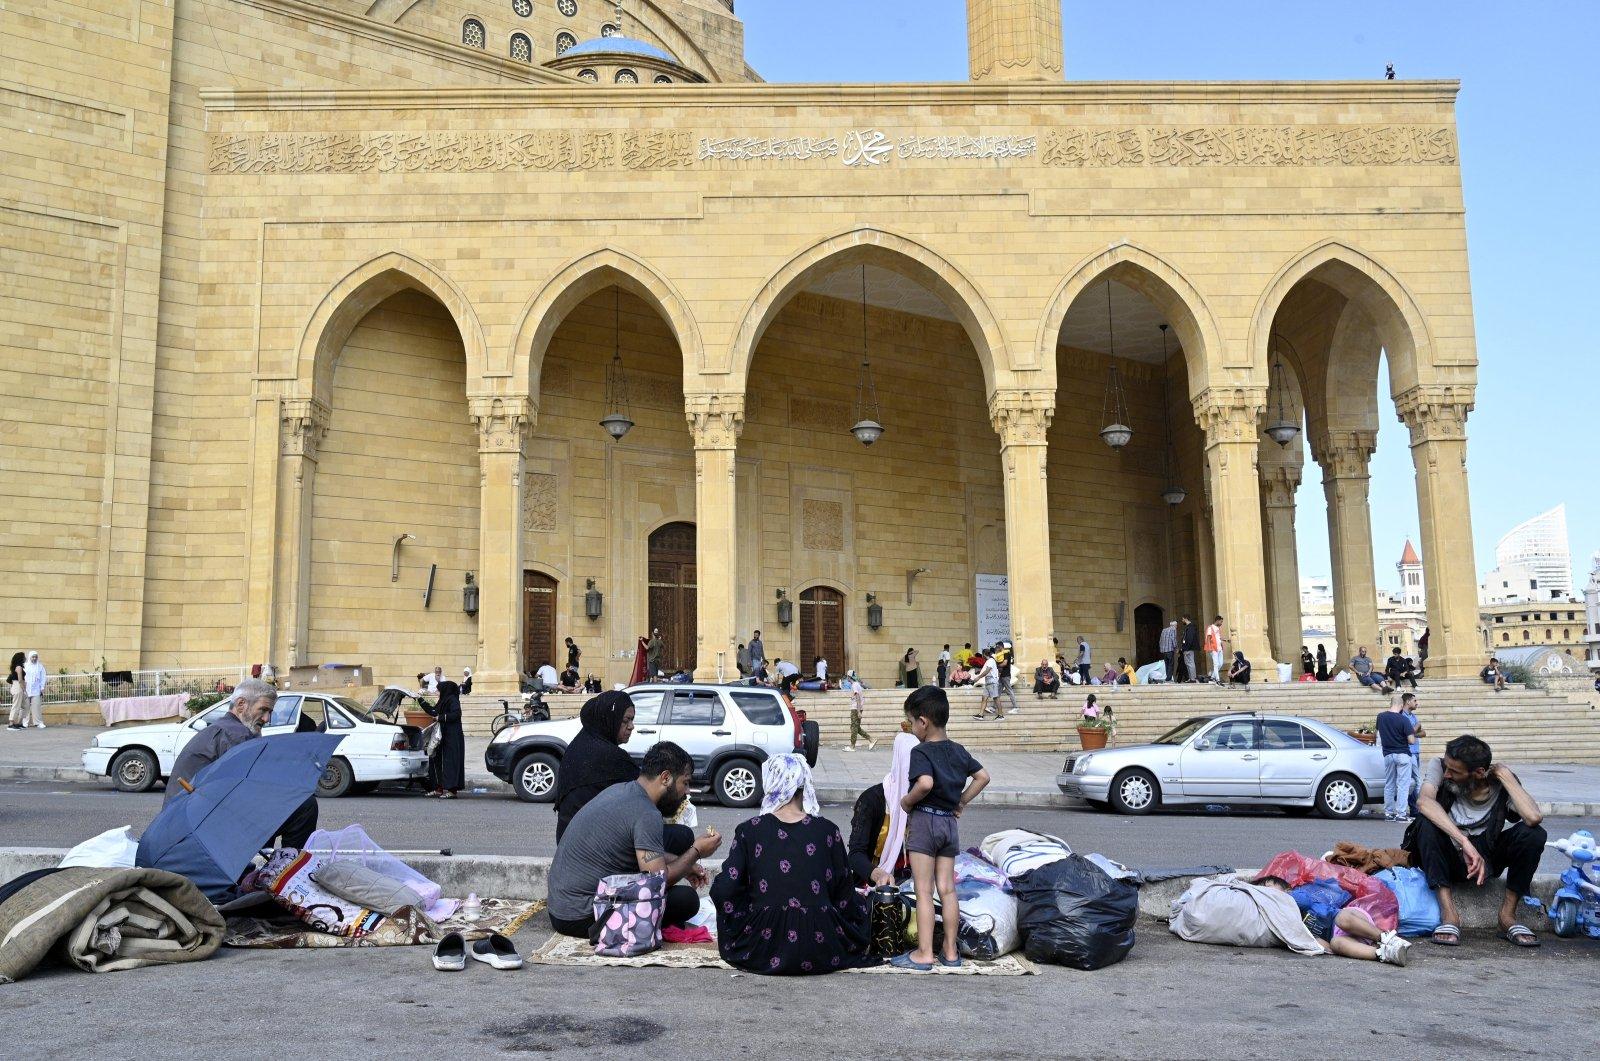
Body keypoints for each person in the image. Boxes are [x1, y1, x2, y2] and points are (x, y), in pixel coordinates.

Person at [711, 754, 873, 975]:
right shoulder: (828, 830)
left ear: (770, 783)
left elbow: (725, 890)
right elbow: (843, 895)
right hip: (821, 945)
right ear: (803, 784)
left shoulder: (749, 830)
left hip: (762, 947)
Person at [547, 742, 722, 940]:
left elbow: (641, 849)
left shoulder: (623, 790)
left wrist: (685, 864)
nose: (687, 791)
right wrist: (696, 851)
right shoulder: (646, 813)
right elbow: (656, 882)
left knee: (679, 838)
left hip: (560, 908)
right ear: (666, 778)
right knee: (686, 900)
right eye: (685, 782)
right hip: (582, 916)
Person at [1405, 735, 1546, 948]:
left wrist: (1505, 774)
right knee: (1425, 822)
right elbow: (1424, 802)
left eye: (1455, 772)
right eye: (1447, 767)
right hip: (1447, 852)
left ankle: (1507, 916)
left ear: (1479, 772)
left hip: (1485, 857)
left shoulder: (1501, 783)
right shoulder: (1439, 766)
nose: (1446, 774)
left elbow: (1533, 817)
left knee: (1533, 833)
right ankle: (1449, 914)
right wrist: (1463, 841)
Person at [891, 687, 989, 971]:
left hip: (925, 821)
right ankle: (950, 951)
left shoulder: (921, 751)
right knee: (947, 889)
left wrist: (906, 802)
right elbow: (983, 777)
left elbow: (924, 784)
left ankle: (923, 953)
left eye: (911, 722)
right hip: (948, 822)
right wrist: (961, 802)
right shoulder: (958, 750)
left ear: (923, 722)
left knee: (923, 890)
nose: (911, 728)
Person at [163, 677, 318, 847]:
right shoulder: (235, 734)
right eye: (263, 710)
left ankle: (264, 864)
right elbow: (255, 788)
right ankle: (287, 864)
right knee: (304, 806)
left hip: (190, 821)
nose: (266, 718)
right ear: (241, 704)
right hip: (201, 825)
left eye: (270, 712)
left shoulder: (225, 729)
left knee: (268, 807)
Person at [1252, 876, 1411, 966]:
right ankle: (1385, 953)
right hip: (1341, 938)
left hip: (1350, 920)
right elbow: (1308, 941)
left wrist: (1283, 898)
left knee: (1343, 918)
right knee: (1336, 944)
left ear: (1287, 889)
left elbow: (1304, 902)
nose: (1267, 892)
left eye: (1268, 886)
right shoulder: (1282, 919)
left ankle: (1385, 938)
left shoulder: (1297, 895)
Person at [552, 691, 638, 842]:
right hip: (589, 847)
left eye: (632, 720)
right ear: (610, 719)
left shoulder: (579, 744)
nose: (631, 726)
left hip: (568, 840)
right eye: (626, 720)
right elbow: (646, 792)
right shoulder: (609, 756)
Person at [848, 731, 916, 886]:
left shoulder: (925, 798)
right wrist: (878, 875)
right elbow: (855, 854)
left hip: (916, 885)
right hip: (875, 886)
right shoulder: (871, 800)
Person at [1377, 694, 1416, 822]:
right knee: (1403, 785)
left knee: (1389, 784)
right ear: (1400, 705)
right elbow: (1411, 740)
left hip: (1388, 754)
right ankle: (1401, 814)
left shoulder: (1381, 717)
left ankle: (1388, 813)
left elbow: (1378, 735)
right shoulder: (1403, 720)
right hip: (1403, 755)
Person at [423, 679, 465, 799]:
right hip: (442, 736)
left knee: (450, 763)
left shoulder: (452, 700)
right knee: (436, 760)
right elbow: (433, 711)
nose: (438, 692)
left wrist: (441, 717)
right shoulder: (443, 701)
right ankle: (438, 788)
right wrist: (419, 699)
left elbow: (456, 714)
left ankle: (452, 791)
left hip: (452, 737)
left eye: (439, 690)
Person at [1403, 694, 1426, 818]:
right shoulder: (1402, 716)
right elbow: (1407, 735)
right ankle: (1416, 809)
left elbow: (1423, 733)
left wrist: (1413, 733)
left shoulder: (1413, 716)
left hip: (1416, 751)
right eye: (1414, 700)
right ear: (1407, 702)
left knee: (1415, 781)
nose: (1417, 703)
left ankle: (1414, 809)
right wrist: (1415, 728)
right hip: (1409, 752)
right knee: (1416, 781)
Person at [843, 670, 874, 751]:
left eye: (847, 677)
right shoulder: (857, 685)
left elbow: (858, 699)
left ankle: (852, 746)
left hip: (855, 709)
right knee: (856, 727)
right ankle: (871, 739)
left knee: (854, 727)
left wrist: (858, 711)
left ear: (849, 677)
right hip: (857, 708)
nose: (847, 678)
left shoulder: (854, 685)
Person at [972, 651, 1002, 720]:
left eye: (982, 654)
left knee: (996, 698)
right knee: (984, 697)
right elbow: (985, 670)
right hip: (988, 682)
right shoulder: (988, 661)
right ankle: (981, 715)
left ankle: (1001, 715)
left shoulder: (991, 660)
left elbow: (988, 670)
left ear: (984, 654)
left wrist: (978, 677)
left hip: (992, 682)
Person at [21, 651, 47, 728]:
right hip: (26, 689)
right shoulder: (25, 666)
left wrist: (42, 687)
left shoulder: (40, 666)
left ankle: (38, 722)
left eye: (36, 657)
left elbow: (43, 678)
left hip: (36, 689)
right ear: (29, 657)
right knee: (26, 706)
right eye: (33, 657)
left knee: (37, 706)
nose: (34, 658)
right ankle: (25, 722)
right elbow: (21, 677)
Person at [6, 652, 26, 730]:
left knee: (23, 706)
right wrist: (24, 689)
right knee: (16, 705)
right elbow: (20, 680)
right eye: (24, 657)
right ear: (21, 658)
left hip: (17, 686)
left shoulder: (18, 667)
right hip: (18, 686)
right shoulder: (19, 667)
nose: (25, 658)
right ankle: (11, 724)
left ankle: (17, 723)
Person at [1204, 616, 1226, 683]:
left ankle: (1213, 677)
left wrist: (1224, 640)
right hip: (1213, 648)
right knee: (1216, 664)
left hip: (1219, 648)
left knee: (1220, 663)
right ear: (1217, 620)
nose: (1221, 623)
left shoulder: (1217, 628)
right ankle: (1217, 679)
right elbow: (1208, 638)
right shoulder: (1210, 628)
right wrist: (1209, 647)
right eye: (1221, 621)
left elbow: (1218, 638)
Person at [1180, 616, 1200, 683]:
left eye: (1182, 619)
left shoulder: (1191, 627)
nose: (1182, 620)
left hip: (1188, 649)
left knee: (1190, 663)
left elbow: (1190, 639)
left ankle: (1193, 679)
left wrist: (1186, 649)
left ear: (1185, 618)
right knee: (1187, 663)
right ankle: (1191, 678)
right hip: (1186, 648)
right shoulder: (1188, 627)